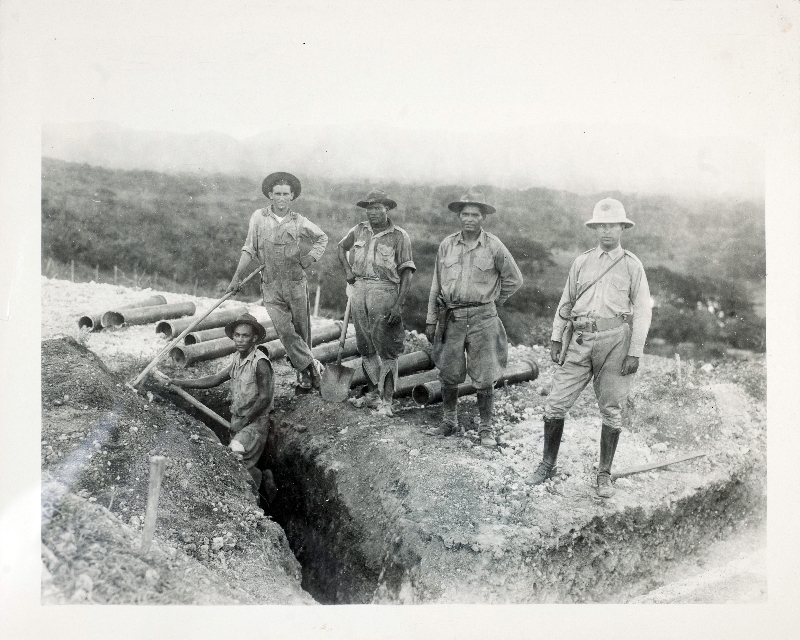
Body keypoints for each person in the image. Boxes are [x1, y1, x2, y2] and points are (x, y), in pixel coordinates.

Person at [529, 197, 652, 498]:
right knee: (555, 404)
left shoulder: (632, 265)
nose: (606, 232)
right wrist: (557, 337)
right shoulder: (582, 262)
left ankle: (604, 474)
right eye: (601, 226)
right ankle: (547, 464)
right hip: (580, 339)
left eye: (612, 226)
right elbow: (566, 302)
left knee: (611, 409)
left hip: (615, 342)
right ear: (594, 229)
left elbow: (643, 310)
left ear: (622, 228)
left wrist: (634, 351)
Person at [424, 187, 523, 447]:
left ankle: (486, 428)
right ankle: (449, 421)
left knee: (485, 374)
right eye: (465, 214)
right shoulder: (447, 245)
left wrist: (495, 301)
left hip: (483, 318)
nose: (469, 219)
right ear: (459, 217)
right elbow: (436, 283)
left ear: (483, 218)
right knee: (448, 371)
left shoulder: (493, 245)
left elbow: (514, 279)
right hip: (452, 316)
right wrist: (431, 319)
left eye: (475, 214)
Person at [226, 172, 328, 393]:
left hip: (295, 284)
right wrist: (236, 278)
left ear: (292, 197)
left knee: (302, 332)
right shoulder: (258, 218)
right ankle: (314, 367)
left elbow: (322, 238)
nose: (281, 198)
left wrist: (310, 258)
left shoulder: (299, 221)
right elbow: (249, 249)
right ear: (270, 195)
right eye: (277, 193)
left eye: (286, 194)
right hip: (270, 285)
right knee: (285, 331)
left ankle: (304, 378)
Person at [158, 313, 274, 491]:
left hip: (254, 423)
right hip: (238, 420)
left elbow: (265, 397)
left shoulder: (260, 363)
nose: (240, 340)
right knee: (240, 466)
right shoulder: (238, 358)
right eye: (237, 335)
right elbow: (215, 379)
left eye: (245, 336)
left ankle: (254, 495)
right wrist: (178, 382)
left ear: (254, 338)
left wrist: (244, 422)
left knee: (233, 456)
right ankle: (261, 481)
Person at [338, 189, 415, 416]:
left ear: (387, 209)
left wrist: (398, 305)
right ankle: (373, 394)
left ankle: (387, 402)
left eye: (377, 207)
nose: (372, 212)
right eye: (369, 208)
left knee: (387, 348)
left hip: (385, 290)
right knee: (365, 345)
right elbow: (341, 248)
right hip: (359, 288)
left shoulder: (400, 236)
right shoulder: (358, 230)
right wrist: (348, 272)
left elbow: (407, 272)